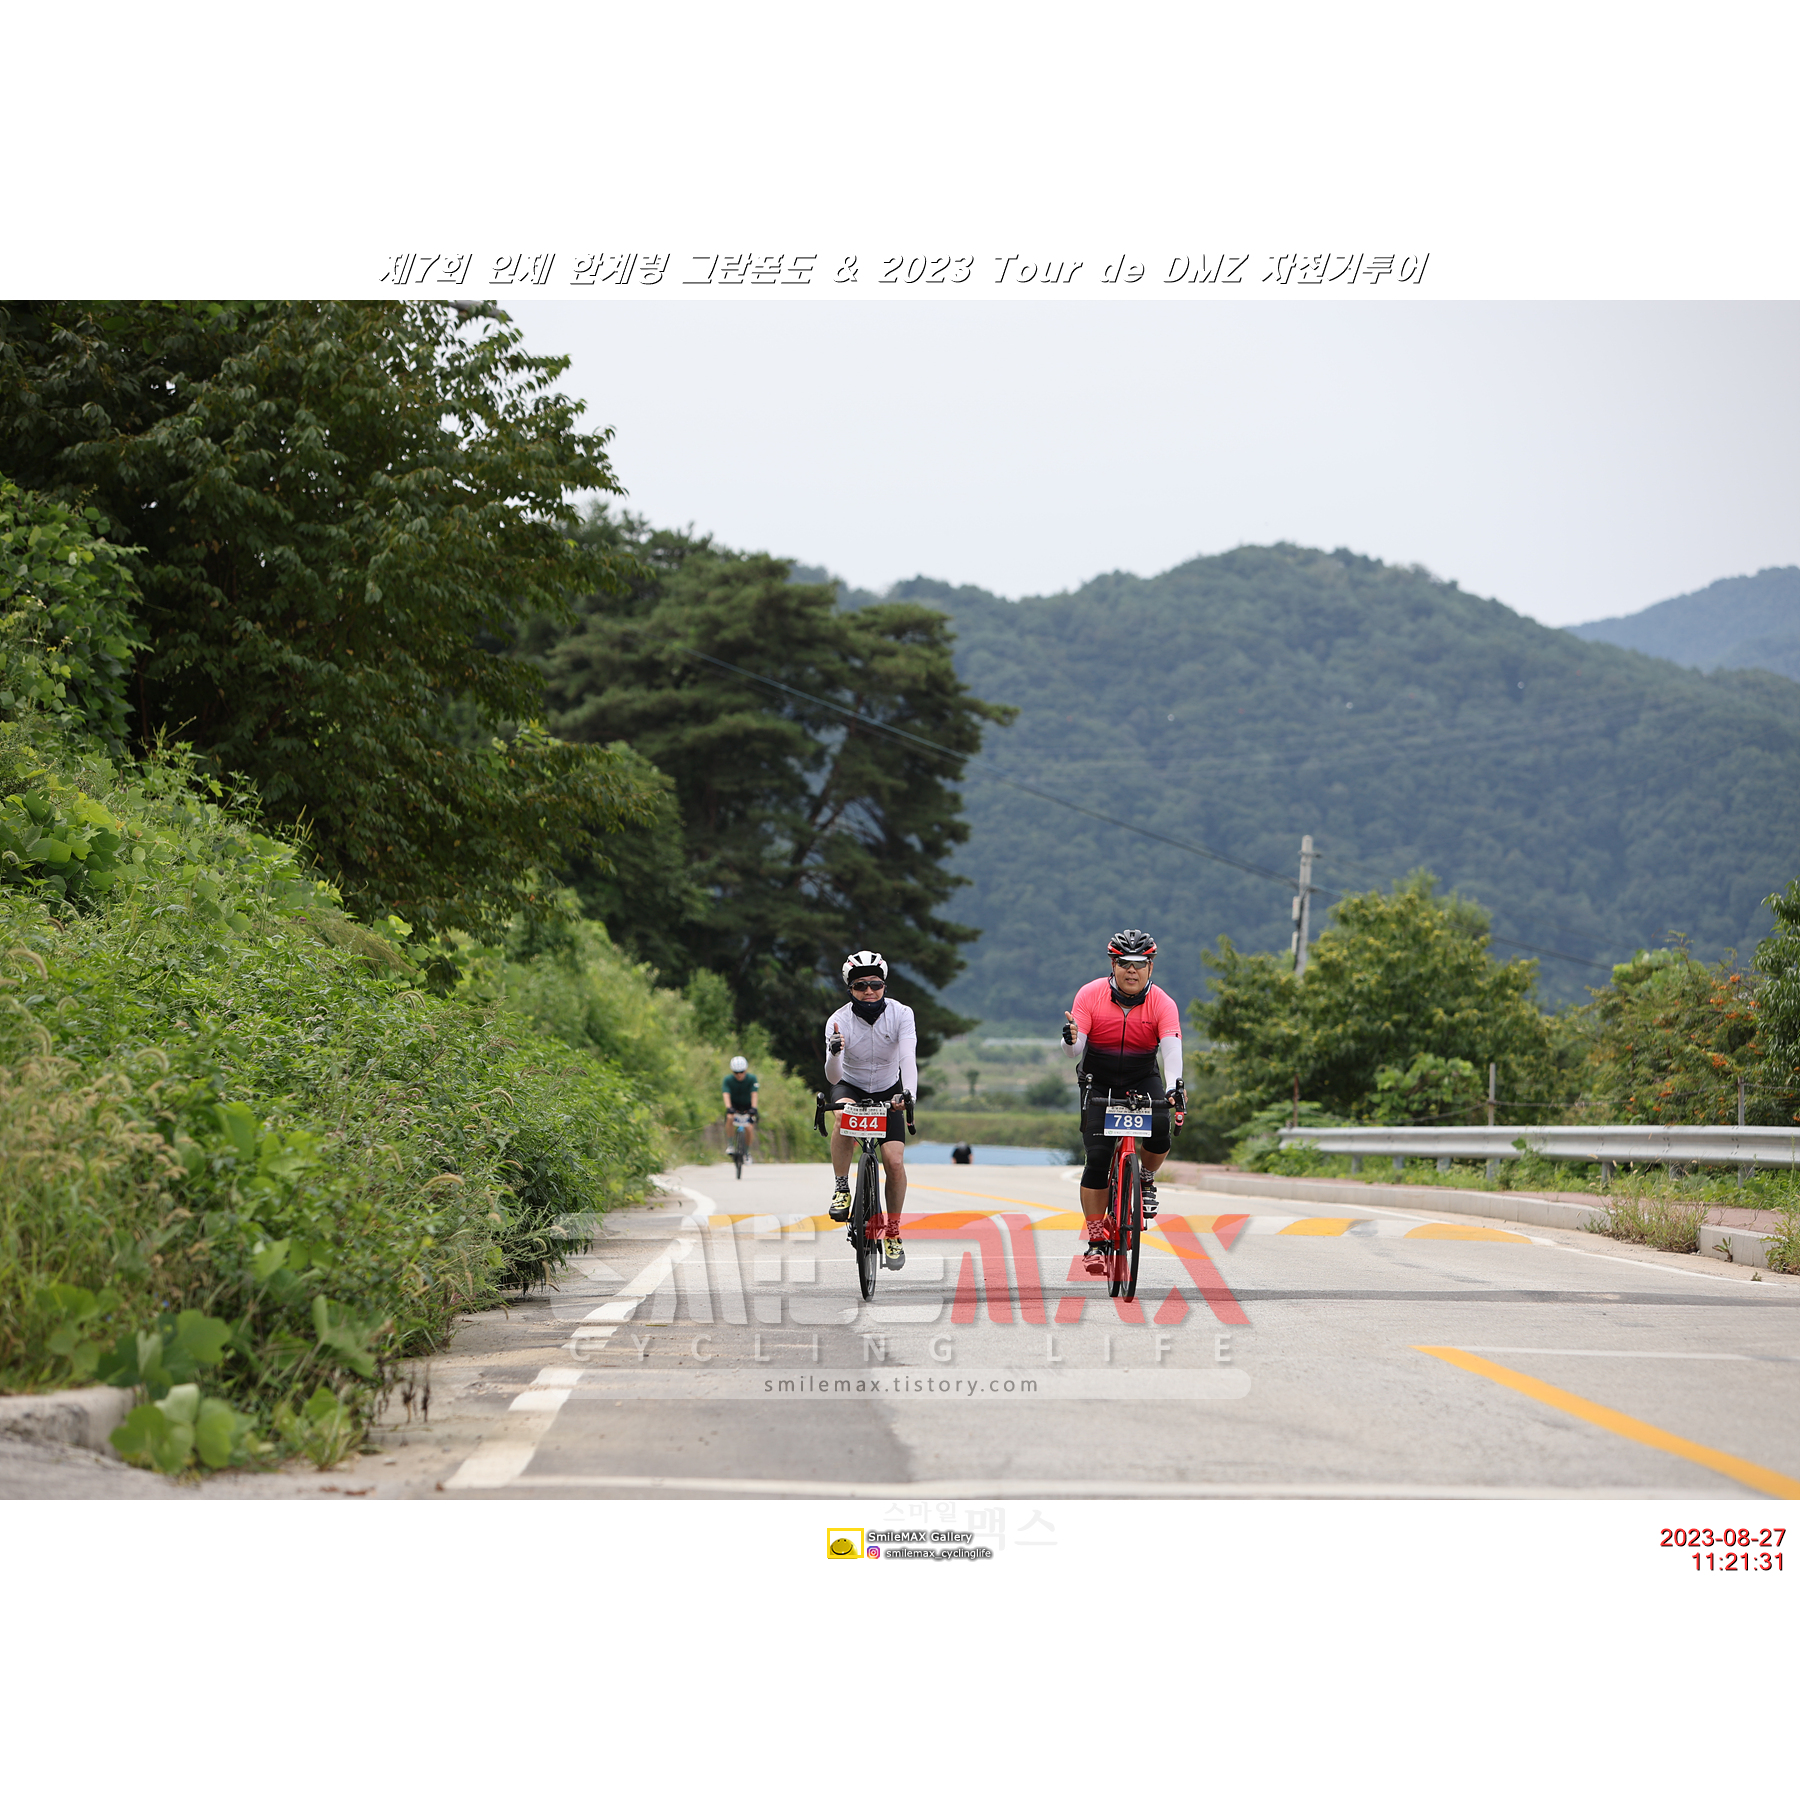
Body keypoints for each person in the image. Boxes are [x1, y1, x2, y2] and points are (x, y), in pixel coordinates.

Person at [1061, 928, 1187, 1273]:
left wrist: (1174, 1087)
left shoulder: (1162, 1003)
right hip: (1098, 1080)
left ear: (1150, 967)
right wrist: (1069, 1039)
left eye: (1140, 964)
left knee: (1160, 1128)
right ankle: (1095, 1240)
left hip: (1141, 1077)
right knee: (1098, 1159)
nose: (1132, 970)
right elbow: (1074, 1049)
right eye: (1124, 963)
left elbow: (1172, 1049)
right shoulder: (1090, 994)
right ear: (1113, 965)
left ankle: (1145, 1177)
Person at [823, 950, 917, 1270]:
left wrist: (908, 1094)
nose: (869, 991)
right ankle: (841, 1187)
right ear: (850, 989)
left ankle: (893, 1230)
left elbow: (907, 1058)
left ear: (884, 985)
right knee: (842, 1116)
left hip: (889, 1089)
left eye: (875, 984)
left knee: (894, 1162)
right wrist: (834, 1053)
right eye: (860, 985)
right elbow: (833, 1076)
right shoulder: (838, 1021)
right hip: (850, 1085)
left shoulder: (901, 1014)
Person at [721, 1054, 759, 1160]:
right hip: (734, 1105)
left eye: (741, 1072)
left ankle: (747, 1152)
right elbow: (726, 1094)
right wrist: (728, 1107)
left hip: (748, 1105)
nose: (739, 1075)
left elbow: (754, 1094)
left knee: (749, 1128)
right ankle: (730, 1145)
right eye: (736, 1072)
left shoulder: (752, 1079)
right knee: (729, 1118)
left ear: (745, 1070)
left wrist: (754, 1108)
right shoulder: (728, 1080)